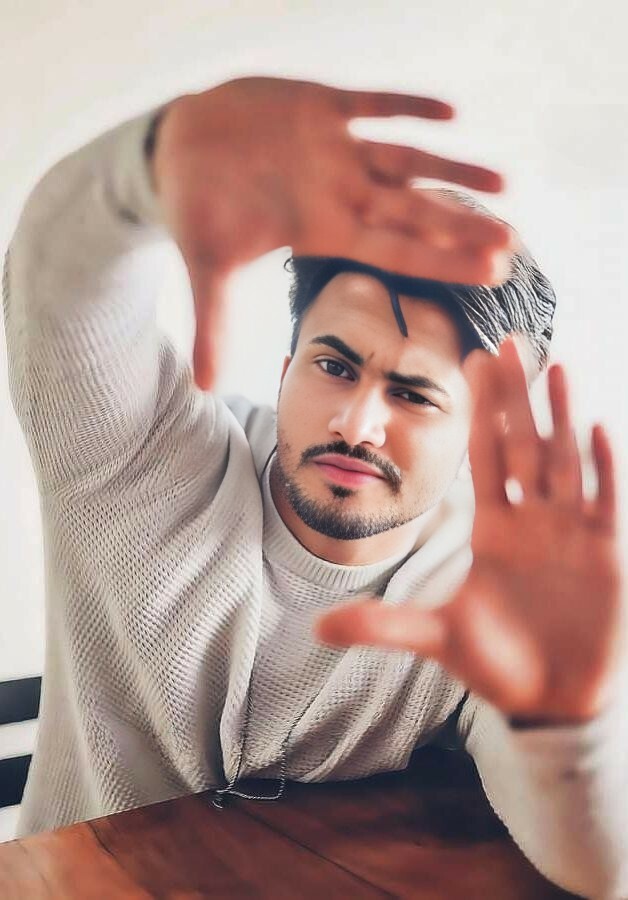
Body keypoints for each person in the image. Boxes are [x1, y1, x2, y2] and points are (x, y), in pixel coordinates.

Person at [2, 76, 625, 898]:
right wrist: (138, 173)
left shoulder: (490, 588)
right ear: (287, 364)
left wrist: (565, 727)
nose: (358, 424)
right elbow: (57, 284)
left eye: (414, 395)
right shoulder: (144, 457)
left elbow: (600, 867)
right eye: (334, 365)